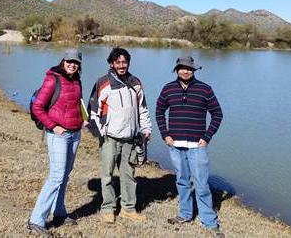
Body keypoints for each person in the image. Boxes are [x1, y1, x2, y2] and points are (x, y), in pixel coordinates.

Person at [155, 56, 224, 236]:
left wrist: (207, 137)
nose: (185, 71)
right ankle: (185, 214)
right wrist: (165, 134)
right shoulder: (168, 89)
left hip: (197, 146)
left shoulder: (205, 89)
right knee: (182, 181)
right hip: (175, 145)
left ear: (194, 70)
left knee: (201, 184)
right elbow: (159, 111)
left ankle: (208, 220)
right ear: (176, 69)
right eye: (182, 68)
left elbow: (217, 114)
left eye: (189, 68)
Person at [88, 47, 151, 224]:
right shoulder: (103, 83)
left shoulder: (136, 82)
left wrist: (146, 129)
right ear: (112, 63)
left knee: (128, 175)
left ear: (128, 63)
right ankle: (108, 208)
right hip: (110, 139)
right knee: (107, 175)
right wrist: (101, 133)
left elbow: (143, 109)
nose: (121, 65)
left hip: (130, 139)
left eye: (124, 62)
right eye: (118, 62)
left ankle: (128, 209)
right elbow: (93, 111)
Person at [27, 49, 84, 236]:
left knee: (65, 175)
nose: (72, 65)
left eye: (75, 62)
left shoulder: (77, 80)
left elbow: (77, 103)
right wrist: (54, 126)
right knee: (56, 176)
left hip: (75, 133)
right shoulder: (53, 79)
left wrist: (83, 119)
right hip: (58, 134)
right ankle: (36, 220)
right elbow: (37, 107)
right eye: (69, 61)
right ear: (63, 60)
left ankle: (59, 212)